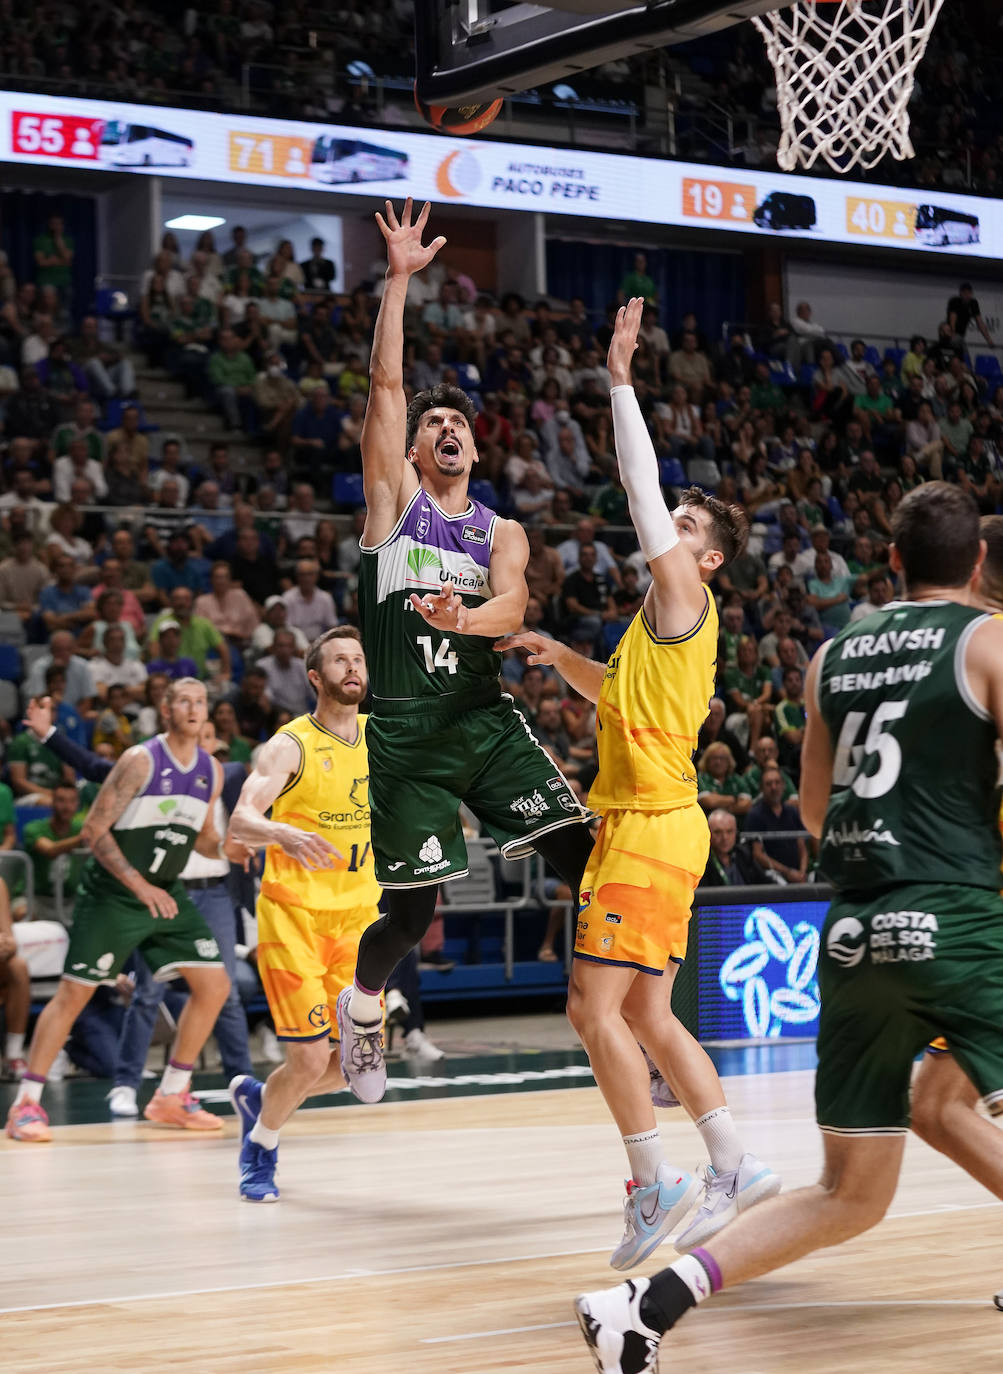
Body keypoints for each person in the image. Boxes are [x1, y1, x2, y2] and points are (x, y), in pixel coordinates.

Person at [574, 482, 1003, 1369]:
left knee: (852, 1189)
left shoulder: (833, 655)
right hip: (958, 919)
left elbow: (813, 813)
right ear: (976, 565)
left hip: (851, 934)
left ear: (887, 562)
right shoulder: (989, 640)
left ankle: (642, 1306)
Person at [505, 298, 778, 1272]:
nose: (672, 524)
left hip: (643, 829)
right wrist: (556, 656)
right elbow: (616, 692)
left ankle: (652, 1184)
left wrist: (619, 378)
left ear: (703, 559)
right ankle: (734, 1163)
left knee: (591, 1010)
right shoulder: (657, 629)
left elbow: (634, 485)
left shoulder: (682, 591)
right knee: (648, 1014)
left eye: (688, 524)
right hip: (664, 828)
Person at [337, 200, 595, 1105]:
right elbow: (381, 388)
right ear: (412, 449)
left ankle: (631, 1018)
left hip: (480, 719)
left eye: (462, 422)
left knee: (584, 859)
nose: (449, 426)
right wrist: (400, 281)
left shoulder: (501, 530)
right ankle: (364, 1005)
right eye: (433, 420)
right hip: (404, 731)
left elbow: (516, 604)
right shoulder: (390, 509)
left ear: (475, 449)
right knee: (412, 913)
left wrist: (465, 623)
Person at [6, 679, 232, 1142]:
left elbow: (204, 838)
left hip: (166, 894)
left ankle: (171, 1095)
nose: (193, 709)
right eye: (184, 701)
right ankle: (25, 1106)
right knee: (74, 995)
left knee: (215, 985)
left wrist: (238, 844)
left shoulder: (212, 769)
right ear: (165, 710)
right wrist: (137, 884)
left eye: (201, 702)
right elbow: (93, 829)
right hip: (113, 895)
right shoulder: (140, 760)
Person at [223, 628, 379, 1202]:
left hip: (361, 921)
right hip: (294, 919)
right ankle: (261, 1146)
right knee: (310, 1057)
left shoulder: (379, 738)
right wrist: (279, 830)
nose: (352, 667)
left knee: (355, 1070)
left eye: (358, 659)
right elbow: (239, 823)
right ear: (316, 677)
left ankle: (257, 1097)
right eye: (340, 660)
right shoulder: (289, 746)